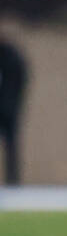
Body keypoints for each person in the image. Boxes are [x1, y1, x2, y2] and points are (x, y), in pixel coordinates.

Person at [0, 26, 28, 185]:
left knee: (11, 147)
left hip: (9, 110)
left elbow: (19, 81)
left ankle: (12, 182)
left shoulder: (12, 56)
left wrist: (10, 105)